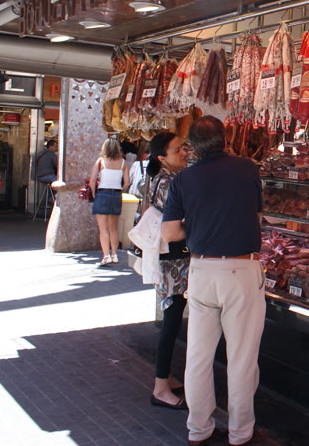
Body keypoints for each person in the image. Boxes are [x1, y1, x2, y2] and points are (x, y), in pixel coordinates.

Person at [161, 116, 267, 446]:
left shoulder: (183, 179)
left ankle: (199, 430)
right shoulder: (247, 168)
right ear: (225, 139)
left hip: (202, 270)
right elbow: (256, 215)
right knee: (241, 359)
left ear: (192, 146)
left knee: (198, 357)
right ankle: (240, 433)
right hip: (241, 271)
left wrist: (197, 226)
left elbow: (169, 233)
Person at [141, 132, 192, 411]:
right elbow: (173, 228)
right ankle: (160, 388)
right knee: (171, 321)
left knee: (172, 320)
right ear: (162, 157)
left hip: (173, 259)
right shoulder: (168, 182)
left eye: (184, 147)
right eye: (177, 150)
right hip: (172, 261)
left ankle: (166, 378)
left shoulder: (166, 178)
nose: (184, 153)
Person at [89, 138, 129, 265]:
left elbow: (92, 180)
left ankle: (106, 256)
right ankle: (114, 255)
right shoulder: (123, 163)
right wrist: (121, 191)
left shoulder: (101, 161)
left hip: (102, 193)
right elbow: (127, 182)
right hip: (116, 194)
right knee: (114, 228)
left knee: (103, 229)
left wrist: (93, 192)